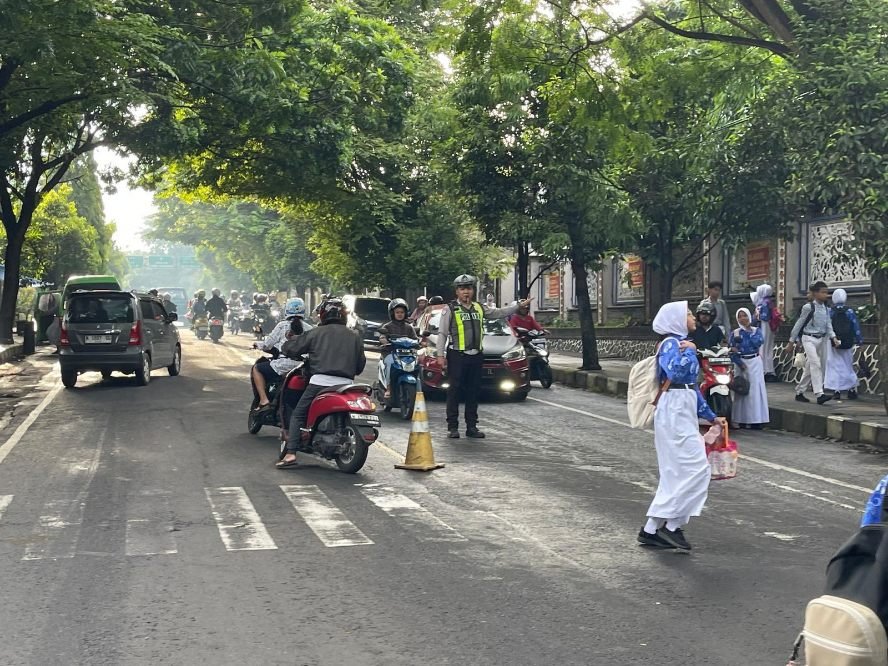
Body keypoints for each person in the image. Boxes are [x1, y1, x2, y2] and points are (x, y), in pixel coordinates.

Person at [638, 301, 721, 551]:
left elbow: (691, 387)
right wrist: (691, 352)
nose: (693, 317)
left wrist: (711, 416)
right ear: (676, 320)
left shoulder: (682, 343)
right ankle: (671, 527)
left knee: (679, 472)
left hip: (682, 407)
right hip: (673, 410)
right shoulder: (671, 344)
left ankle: (652, 529)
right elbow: (676, 372)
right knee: (697, 469)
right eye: (688, 314)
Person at [436, 274, 530, 439]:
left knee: (473, 392)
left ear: (473, 290)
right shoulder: (450, 309)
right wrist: (440, 356)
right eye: (462, 289)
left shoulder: (479, 308)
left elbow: (499, 313)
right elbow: (442, 333)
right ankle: (453, 427)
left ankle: (472, 427)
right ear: (457, 291)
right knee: (454, 392)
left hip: (476, 356)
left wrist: (518, 306)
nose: (466, 292)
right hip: (457, 355)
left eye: (469, 288)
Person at [277, 298, 366, 468]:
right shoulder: (354, 335)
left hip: (320, 383)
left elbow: (292, 348)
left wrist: (288, 343)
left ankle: (290, 453)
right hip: (346, 385)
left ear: (324, 315)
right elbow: (360, 366)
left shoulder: (316, 332)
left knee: (298, 415)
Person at [251, 298, 311, 410]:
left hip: (284, 365)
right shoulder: (310, 328)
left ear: (286, 310)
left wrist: (257, 344)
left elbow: (267, 345)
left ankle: (264, 400)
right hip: (303, 367)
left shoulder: (282, 325)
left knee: (257, 369)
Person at [786, 281, 840, 405]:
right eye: (823, 292)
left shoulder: (826, 309)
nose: (826, 295)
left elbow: (828, 325)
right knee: (816, 364)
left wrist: (834, 338)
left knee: (810, 368)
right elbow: (799, 324)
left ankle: (800, 391)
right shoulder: (808, 307)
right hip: (808, 338)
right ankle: (819, 394)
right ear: (815, 293)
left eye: (827, 292)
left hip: (821, 340)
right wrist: (791, 341)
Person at [729, 308, 769, 429]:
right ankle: (741, 419)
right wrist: (739, 363)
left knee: (755, 391)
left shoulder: (757, 331)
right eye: (740, 316)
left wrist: (746, 336)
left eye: (745, 315)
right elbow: (731, 351)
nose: (743, 318)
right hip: (741, 363)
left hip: (755, 362)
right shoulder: (735, 333)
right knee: (742, 390)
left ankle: (756, 420)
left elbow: (757, 342)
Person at [825, 288, 863, 401]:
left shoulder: (830, 312)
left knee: (835, 366)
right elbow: (856, 327)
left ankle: (836, 390)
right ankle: (851, 389)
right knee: (848, 365)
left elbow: (826, 327)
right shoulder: (849, 311)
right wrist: (860, 341)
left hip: (834, 342)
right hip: (847, 342)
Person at [378, 298, 418, 398]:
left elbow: (415, 338)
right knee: (389, 363)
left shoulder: (409, 327)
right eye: (397, 312)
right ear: (392, 313)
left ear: (406, 313)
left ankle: (419, 390)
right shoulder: (387, 326)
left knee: (418, 364)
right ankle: (388, 388)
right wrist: (385, 341)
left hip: (407, 353)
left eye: (402, 312)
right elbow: (382, 337)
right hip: (390, 352)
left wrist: (420, 342)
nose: (400, 314)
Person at [751, 284, 779, 382]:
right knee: (767, 348)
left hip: (764, 326)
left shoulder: (763, 303)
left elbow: (762, 317)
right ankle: (768, 369)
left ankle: (764, 369)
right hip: (768, 327)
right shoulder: (769, 302)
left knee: (763, 347)